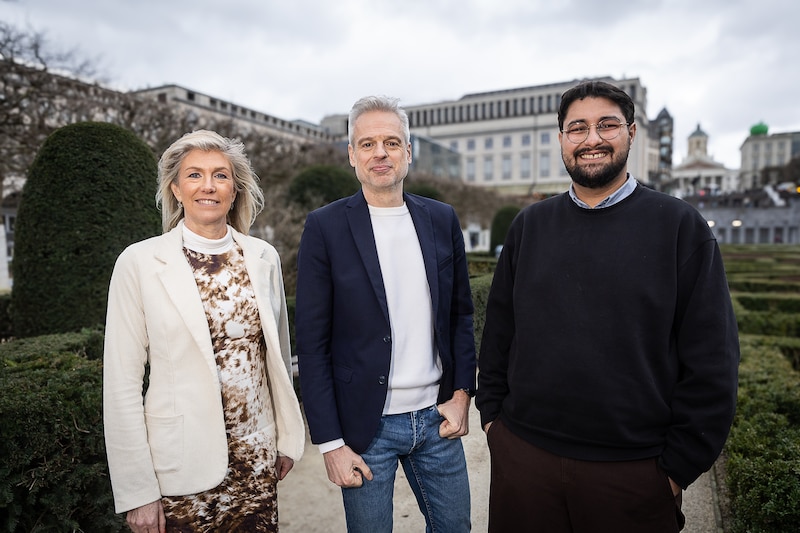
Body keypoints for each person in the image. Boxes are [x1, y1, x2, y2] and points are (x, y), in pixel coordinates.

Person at [476, 81, 740, 533]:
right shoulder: (530, 226)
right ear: (561, 139)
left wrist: (676, 470)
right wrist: (493, 423)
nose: (591, 139)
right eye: (577, 128)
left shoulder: (679, 226)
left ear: (631, 133)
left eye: (606, 125)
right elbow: (500, 331)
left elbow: (712, 357)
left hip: (632, 473)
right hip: (524, 460)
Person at [103, 130, 305, 533]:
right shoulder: (139, 262)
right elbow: (121, 384)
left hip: (256, 459)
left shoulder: (263, 257)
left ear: (235, 189)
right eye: (194, 175)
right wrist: (137, 490)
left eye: (221, 175)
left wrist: (285, 437)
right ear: (176, 189)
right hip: (179, 467)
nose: (208, 186)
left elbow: (277, 357)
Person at [295, 95, 476, 533]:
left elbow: (460, 316)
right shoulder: (325, 227)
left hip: (436, 420)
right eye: (369, 143)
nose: (381, 153)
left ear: (408, 153)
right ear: (352, 155)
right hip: (364, 429)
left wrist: (461, 396)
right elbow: (312, 343)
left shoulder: (441, 218)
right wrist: (330, 443)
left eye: (392, 143)